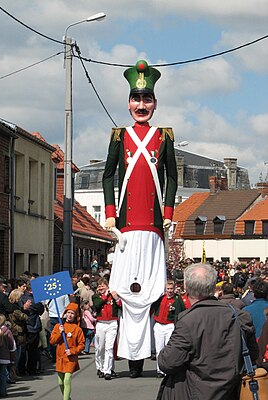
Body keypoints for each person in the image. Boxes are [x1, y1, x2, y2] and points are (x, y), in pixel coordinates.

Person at [102, 59, 177, 375]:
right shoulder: (119, 135)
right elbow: (108, 176)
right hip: (126, 227)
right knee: (124, 294)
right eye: (136, 98)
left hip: (154, 227)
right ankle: (126, 357)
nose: (141, 104)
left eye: (146, 99)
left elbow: (172, 177)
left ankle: (152, 356)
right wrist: (109, 214)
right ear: (128, 102)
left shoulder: (164, 136)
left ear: (155, 103)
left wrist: (169, 212)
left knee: (152, 294)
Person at [157, 263, 259, 400]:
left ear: (186, 287)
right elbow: (253, 354)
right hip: (230, 391)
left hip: (195, 392)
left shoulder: (188, 322)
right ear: (213, 286)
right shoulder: (238, 316)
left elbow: (167, 362)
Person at [152, 280, 189, 378]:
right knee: (159, 349)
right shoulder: (160, 298)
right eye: (168, 289)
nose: (169, 291)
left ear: (174, 288)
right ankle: (159, 370)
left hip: (170, 325)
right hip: (159, 325)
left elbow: (183, 310)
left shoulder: (178, 299)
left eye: (171, 289)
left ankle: (168, 369)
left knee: (168, 348)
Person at [50, 302, 85, 400]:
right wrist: (60, 333)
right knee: (60, 382)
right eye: (68, 312)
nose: (69, 315)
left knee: (67, 380)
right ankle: (68, 398)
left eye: (72, 313)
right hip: (60, 357)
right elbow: (52, 341)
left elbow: (82, 344)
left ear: (76, 316)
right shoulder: (58, 326)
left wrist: (73, 351)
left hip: (70, 358)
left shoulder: (77, 329)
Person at [92, 278, 121, 380]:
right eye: (99, 286)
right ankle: (99, 367)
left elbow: (120, 306)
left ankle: (107, 370)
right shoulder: (95, 296)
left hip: (112, 323)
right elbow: (97, 305)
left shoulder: (112, 296)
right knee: (100, 348)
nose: (101, 287)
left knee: (109, 348)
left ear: (107, 286)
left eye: (103, 285)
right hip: (101, 323)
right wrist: (105, 296)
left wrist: (116, 298)